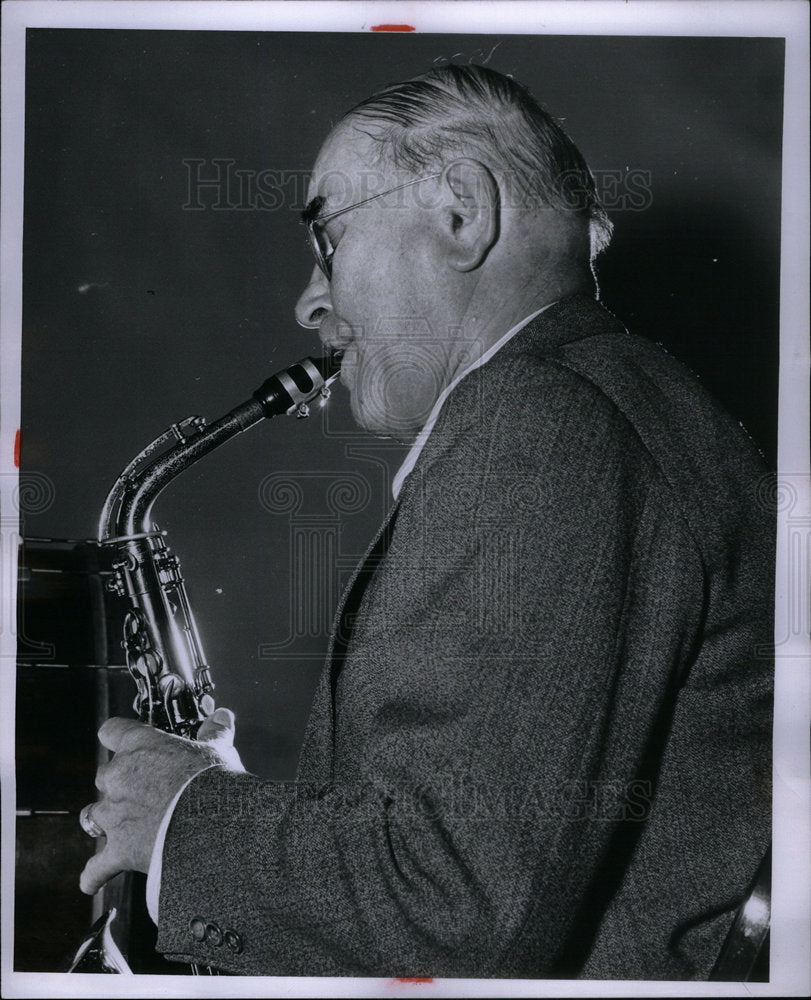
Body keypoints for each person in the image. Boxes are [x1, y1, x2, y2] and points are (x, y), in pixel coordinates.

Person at [79, 65, 774, 980]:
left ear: (460, 213)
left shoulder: (538, 419)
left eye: (325, 239)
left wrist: (182, 818)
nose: (310, 303)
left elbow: (455, 900)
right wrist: (243, 806)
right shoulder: (613, 402)